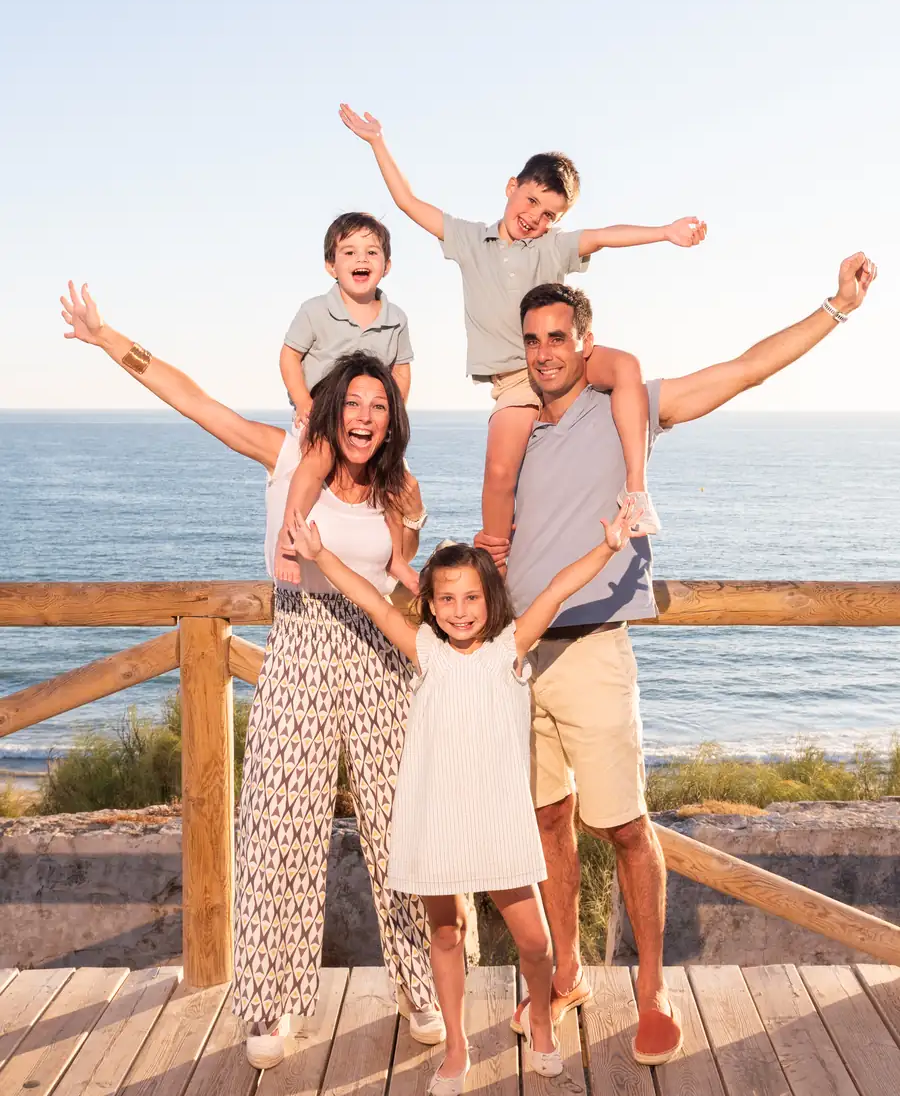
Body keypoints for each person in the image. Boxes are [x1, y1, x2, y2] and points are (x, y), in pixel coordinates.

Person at [475, 251, 877, 1067]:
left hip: (593, 651)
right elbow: (497, 529)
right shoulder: (517, 426)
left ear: (585, 343)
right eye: (534, 339)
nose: (546, 351)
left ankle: (652, 989)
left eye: (559, 336)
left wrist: (834, 308)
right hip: (516, 656)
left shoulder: (630, 406)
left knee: (623, 826)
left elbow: (741, 372)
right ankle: (565, 974)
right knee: (544, 820)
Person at [58, 284, 443, 1071]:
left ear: (391, 417)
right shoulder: (285, 456)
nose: (366, 415)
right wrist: (109, 339)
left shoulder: (399, 489)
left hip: (378, 660)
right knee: (279, 831)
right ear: (332, 407)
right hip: (299, 651)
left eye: (379, 404)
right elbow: (194, 401)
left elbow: (405, 582)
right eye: (354, 402)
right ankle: (273, 1003)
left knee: (401, 829)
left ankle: (422, 986)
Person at [288, 501, 639, 1096]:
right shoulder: (423, 649)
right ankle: (456, 1047)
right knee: (444, 934)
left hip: (497, 821)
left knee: (534, 941)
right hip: (436, 818)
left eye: (471, 598)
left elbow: (556, 590)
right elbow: (371, 601)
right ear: (428, 606)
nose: (459, 611)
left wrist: (609, 548)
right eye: (446, 599)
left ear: (490, 599)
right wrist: (321, 555)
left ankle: (541, 1021)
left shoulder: (510, 650)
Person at [338, 102, 706, 553]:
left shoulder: (552, 248)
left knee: (626, 367)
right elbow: (408, 202)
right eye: (532, 201)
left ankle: (636, 490)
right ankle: (497, 555)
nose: (535, 217)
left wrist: (665, 231)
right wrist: (377, 142)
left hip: (566, 361)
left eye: (550, 214)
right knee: (499, 471)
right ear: (512, 188)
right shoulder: (470, 239)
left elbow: (605, 235)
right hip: (517, 378)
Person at [276, 211, 419, 594]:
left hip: (368, 424)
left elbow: (401, 370)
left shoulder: (396, 318)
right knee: (317, 461)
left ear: (386, 266)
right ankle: (287, 542)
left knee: (391, 481)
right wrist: (304, 403)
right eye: (350, 252)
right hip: (322, 415)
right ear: (330, 265)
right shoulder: (315, 310)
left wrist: (391, 413)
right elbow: (289, 356)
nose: (361, 260)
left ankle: (398, 560)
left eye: (372, 252)